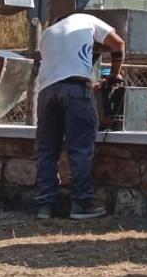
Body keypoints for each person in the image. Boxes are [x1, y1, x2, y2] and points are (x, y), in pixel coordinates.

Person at [33, 13, 126, 220]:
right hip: (76, 89)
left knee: (47, 151)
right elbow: (118, 44)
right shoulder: (86, 19)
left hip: (46, 93)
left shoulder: (48, 33)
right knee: (80, 150)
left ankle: (45, 207)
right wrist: (113, 75)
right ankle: (81, 205)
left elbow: (60, 68)